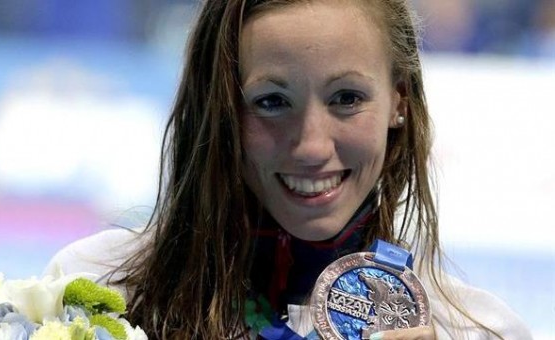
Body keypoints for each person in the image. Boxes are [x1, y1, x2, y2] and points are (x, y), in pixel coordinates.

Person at [45, 0, 532, 339]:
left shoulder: (476, 329)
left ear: (398, 102)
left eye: (347, 98)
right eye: (272, 102)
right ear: (220, 110)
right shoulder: (97, 293)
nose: (312, 146)